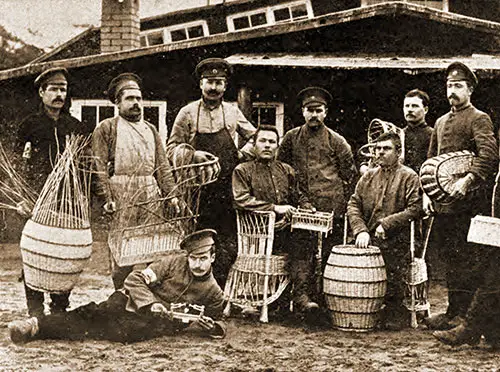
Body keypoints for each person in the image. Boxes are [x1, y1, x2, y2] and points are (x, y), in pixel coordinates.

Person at [8, 229, 226, 344]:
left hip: (155, 324)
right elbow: (134, 279)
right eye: (193, 258)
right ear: (187, 257)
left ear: (213, 258)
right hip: (130, 300)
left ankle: (41, 328)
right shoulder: (171, 263)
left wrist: (213, 328)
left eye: (203, 258)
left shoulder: (213, 292)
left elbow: (215, 319)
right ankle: (35, 325)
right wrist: (150, 304)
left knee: (121, 332)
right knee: (96, 312)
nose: (197, 264)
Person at [167, 58, 256, 285]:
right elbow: (170, 148)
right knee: (196, 240)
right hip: (196, 191)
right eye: (209, 82)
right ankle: (194, 287)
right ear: (200, 84)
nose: (214, 87)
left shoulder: (233, 111)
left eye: (219, 82)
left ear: (225, 86)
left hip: (227, 188)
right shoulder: (187, 112)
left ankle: (219, 289)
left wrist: (242, 153)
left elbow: (256, 138)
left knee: (227, 241)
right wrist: (192, 155)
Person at [423, 62, 498, 330]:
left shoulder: (479, 118)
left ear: (470, 89)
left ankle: (467, 319)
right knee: (450, 260)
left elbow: (489, 155)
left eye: (458, 86)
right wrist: (426, 194)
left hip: (469, 205)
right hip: (444, 206)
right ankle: (452, 312)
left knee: (469, 260)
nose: (452, 91)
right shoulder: (441, 122)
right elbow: (431, 161)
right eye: (449, 86)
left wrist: (468, 180)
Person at [92, 72, 178, 289]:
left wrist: (172, 197)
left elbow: (163, 167)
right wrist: (107, 198)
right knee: (123, 250)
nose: (136, 104)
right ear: (118, 103)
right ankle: (119, 297)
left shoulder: (151, 130)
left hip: (150, 193)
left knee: (151, 247)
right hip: (121, 193)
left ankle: (145, 297)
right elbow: (99, 166)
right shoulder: (107, 128)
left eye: (139, 98)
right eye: (130, 99)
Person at [16, 67, 86, 317]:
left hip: (66, 199)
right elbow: (19, 162)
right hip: (36, 197)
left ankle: (59, 308)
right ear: (41, 92)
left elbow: (83, 166)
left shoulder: (74, 126)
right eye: (54, 89)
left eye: (63, 89)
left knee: (63, 252)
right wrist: (23, 197)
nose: (59, 94)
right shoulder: (30, 125)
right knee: (36, 251)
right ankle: (34, 309)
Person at [232, 125, 319, 312]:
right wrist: (274, 208)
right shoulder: (243, 170)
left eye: (272, 142)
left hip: (283, 230)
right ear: (253, 145)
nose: (267, 146)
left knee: (306, 237)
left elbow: (298, 195)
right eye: (262, 141)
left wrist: (306, 207)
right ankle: (283, 297)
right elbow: (241, 200)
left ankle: (300, 295)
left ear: (277, 147)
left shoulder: (286, 170)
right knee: (300, 238)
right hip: (257, 233)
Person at [347, 131, 422, 330]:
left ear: (398, 152)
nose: (380, 153)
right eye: (377, 148)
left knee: (391, 257)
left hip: (398, 237)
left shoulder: (409, 176)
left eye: (386, 149)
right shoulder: (368, 176)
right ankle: (358, 307)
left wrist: (387, 224)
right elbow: (353, 204)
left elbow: (415, 209)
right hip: (368, 235)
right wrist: (360, 230)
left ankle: (394, 309)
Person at [277, 87, 357, 272]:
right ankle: (303, 297)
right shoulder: (291, 138)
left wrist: (339, 203)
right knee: (301, 252)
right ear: (302, 111)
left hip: (330, 208)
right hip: (300, 207)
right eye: (310, 110)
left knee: (331, 254)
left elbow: (349, 175)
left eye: (318, 111)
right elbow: (282, 170)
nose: (314, 115)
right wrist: (297, 199)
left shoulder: (337, 141)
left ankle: (327, 294)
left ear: (325, 113)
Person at [402, 89, 433, 173]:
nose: (410, 110)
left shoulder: (433, 135)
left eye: (415, 106)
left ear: (425, 110)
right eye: (407, 106)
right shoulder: (398, 134)